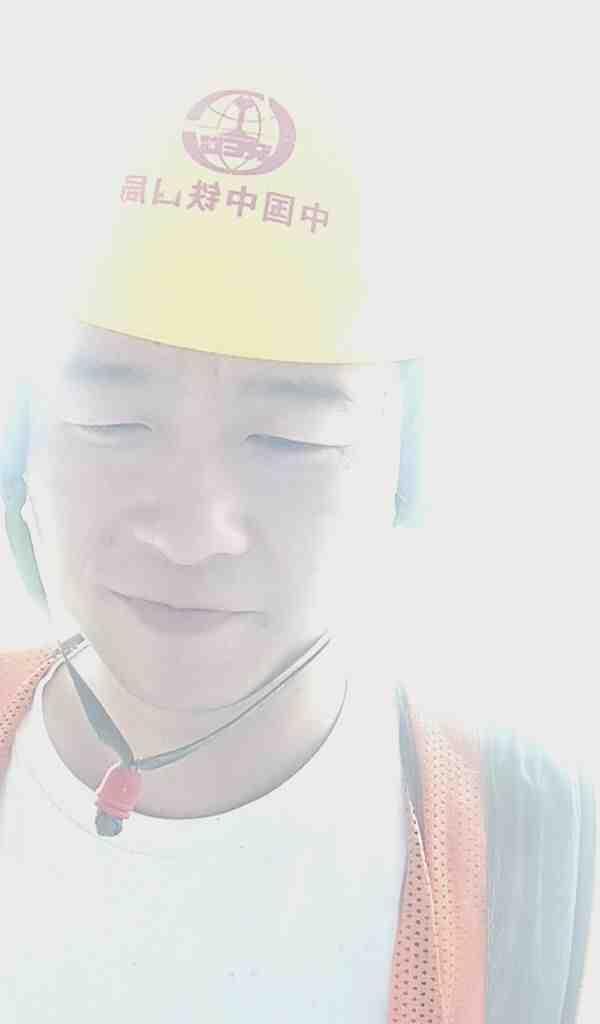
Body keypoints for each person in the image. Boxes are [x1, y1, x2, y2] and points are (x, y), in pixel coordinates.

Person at [0, 56, 595, 1024]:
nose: (191, 532)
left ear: (405, 470)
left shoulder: (532, 840)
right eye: (112, 421)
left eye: (291, 437)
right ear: (23, 443)